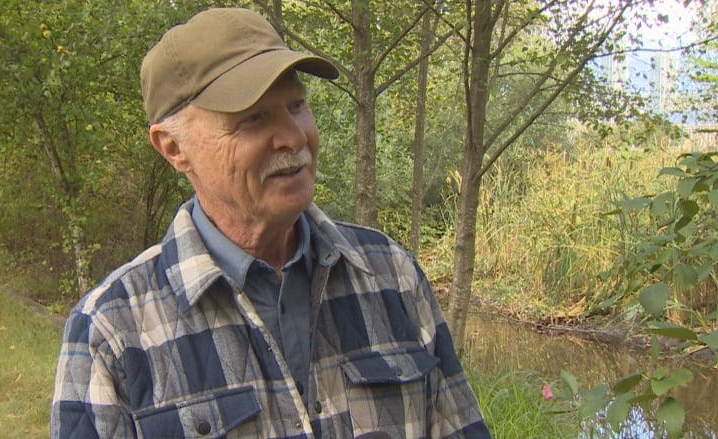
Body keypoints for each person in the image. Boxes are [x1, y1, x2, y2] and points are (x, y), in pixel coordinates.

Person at [51, 7, 491, 439]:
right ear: (172, 148)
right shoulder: (111, 332)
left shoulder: (392, 275)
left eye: (297, 105)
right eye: (253, 119)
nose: (294, 137)